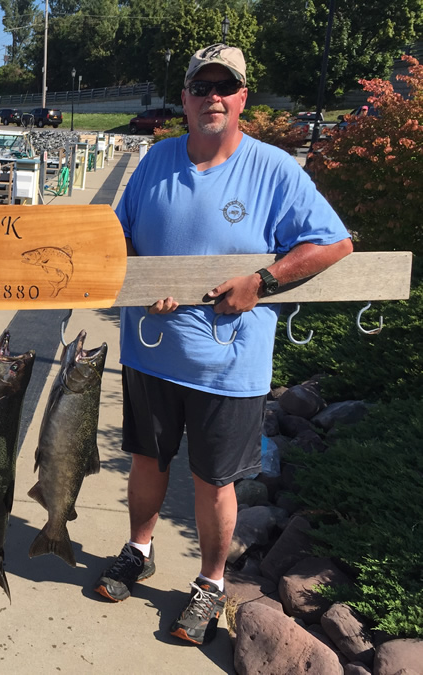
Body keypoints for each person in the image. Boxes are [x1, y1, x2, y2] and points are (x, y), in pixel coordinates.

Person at [93, 43, 352, 646]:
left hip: (228, 365)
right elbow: (118, 239)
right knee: (147, 463)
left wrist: (261, 282)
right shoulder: (155, 161)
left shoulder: (275, 169)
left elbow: (333, 243)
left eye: (224, 87)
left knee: (214, 481)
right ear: (183, 97)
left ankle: (209, 583)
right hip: (150, 348)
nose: (212, 97)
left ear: (241, 99)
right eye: (200, 87)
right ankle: (138, 550)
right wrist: (143, 279)